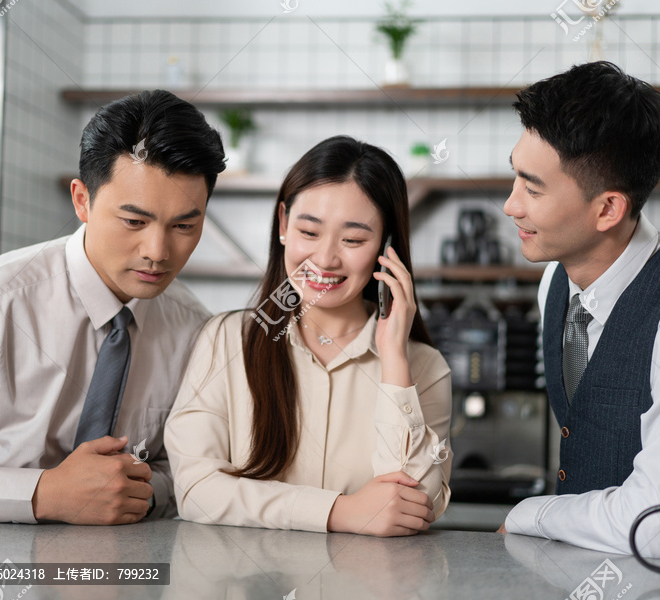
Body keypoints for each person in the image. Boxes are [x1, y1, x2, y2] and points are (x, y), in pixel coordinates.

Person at [0, 90, 225, 525]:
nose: (158, 251)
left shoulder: (196, 329)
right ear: (81, 200)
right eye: (134, 222)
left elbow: (187, 470)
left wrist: (134, 489)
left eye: (184, 225)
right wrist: (42, 493)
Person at [499, 61, 660, 556]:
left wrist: (530, 513)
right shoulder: (555, 282)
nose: (510, 205)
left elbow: (659, 522)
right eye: (514, 178)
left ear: (608, 209)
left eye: (533, 188)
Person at [164, 136, 452, 537]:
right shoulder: (227, 340)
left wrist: (393, 362)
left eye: (353, 240)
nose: (325, 259)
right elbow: (195, 491)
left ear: (386, 247)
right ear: (283, 224)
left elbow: (413, 506)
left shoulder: (423, 367)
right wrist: (339, 512)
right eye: (309, 232)